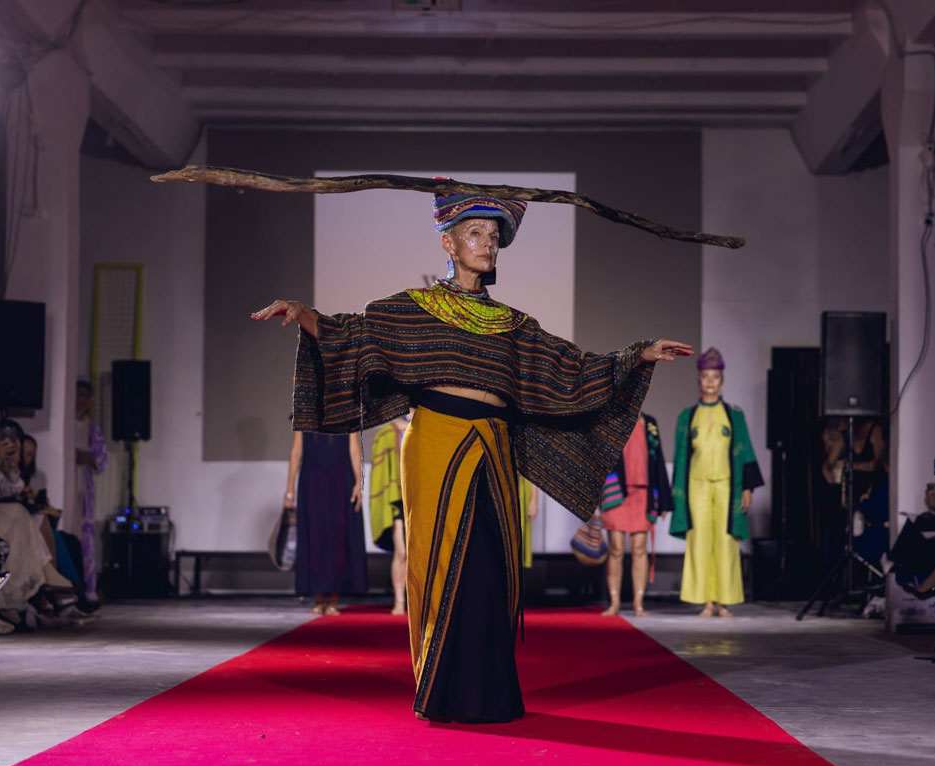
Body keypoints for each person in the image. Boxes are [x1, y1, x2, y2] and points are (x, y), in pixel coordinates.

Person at [252, 189, 691, 723]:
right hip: (435, 440)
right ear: (449, 244)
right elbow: (354, 334)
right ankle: (441, 691)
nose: (487, 244)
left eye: (494, 237)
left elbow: (572, 369)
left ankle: (490, 693)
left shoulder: (514, 325)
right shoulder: (414, 308)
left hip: (494, 447)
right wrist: (305, 314)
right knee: (440, 564)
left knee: (491, 569)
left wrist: (638, 354)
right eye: (475, 234)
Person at [670, 347, 763, 618]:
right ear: (698, 379)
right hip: (696, 485)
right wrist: (677, 496)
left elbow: (746, 449)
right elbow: (680, 456)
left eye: (715, 376)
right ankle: (705, 602)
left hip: (727, 486)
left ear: (721, 380)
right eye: (705, 376)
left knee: (726, 541)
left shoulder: (734, 415)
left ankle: (724, 601)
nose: (710, 381)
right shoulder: (687, 416)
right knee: (698, 541)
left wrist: (747, 488)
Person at [599, 412, 672, 616]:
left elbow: (658, 459)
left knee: (640, 548)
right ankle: (614, 602)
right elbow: (600, 457)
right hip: (616, 491)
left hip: (643, 493)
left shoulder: (650, 423)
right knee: (616, 548)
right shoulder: (612, 419)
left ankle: (638, 603)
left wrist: (664, 500)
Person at [285, 430, 365, 615]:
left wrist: (358, 484)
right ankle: (318, 598)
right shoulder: (305, 413)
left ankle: (333, 599)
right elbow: (296, 450)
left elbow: (354, 449)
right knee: (314, 535)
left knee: (338, 536)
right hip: (312, 481)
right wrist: (289, 489)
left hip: (341, 481)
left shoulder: (346, 413)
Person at [61, 380, 108, 605]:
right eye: (80, 395)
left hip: (84, 487)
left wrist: (87, 458)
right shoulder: (65, 424)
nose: (84, 400)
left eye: (88, 396)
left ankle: (87, 590)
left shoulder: (91, 428)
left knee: (86, 538)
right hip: (67, 482)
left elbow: (102, 461)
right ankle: (67, 588)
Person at [370, 416, 410, 615]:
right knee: (401, 552)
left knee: (417, 553)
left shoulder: (424, 426)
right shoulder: (390, 430)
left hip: (418, 495)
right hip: (396, 497)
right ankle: (399, 600)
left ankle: (415, 600)